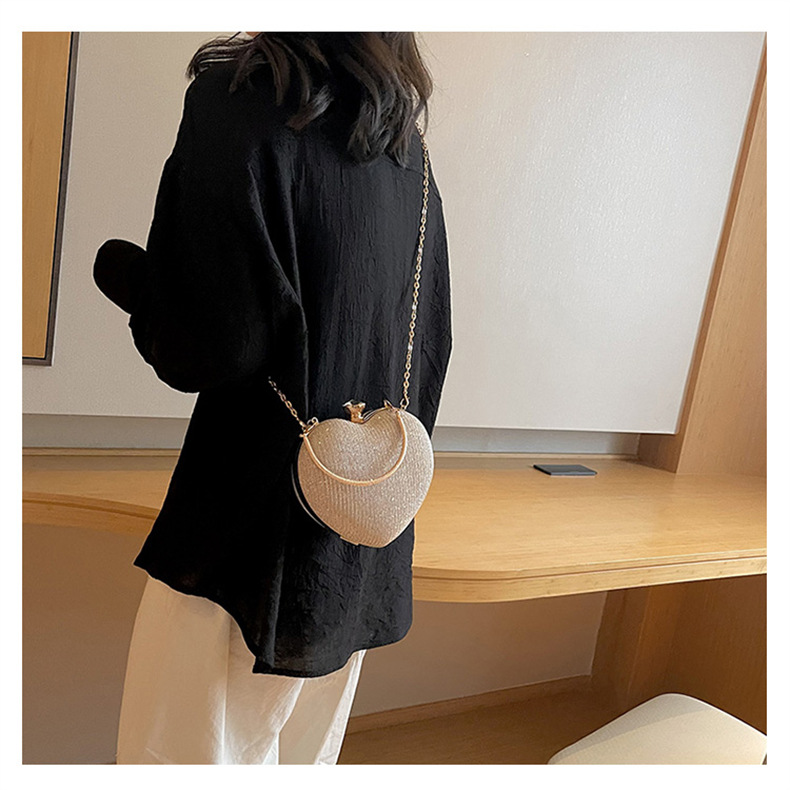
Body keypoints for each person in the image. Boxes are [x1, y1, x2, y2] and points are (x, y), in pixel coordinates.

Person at [93, 31, 453, 765]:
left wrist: (128, 282)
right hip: (358, 533)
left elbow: (211, 344)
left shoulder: (240, 102)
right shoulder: (405, 150)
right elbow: (431, 343)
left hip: (241, 540)